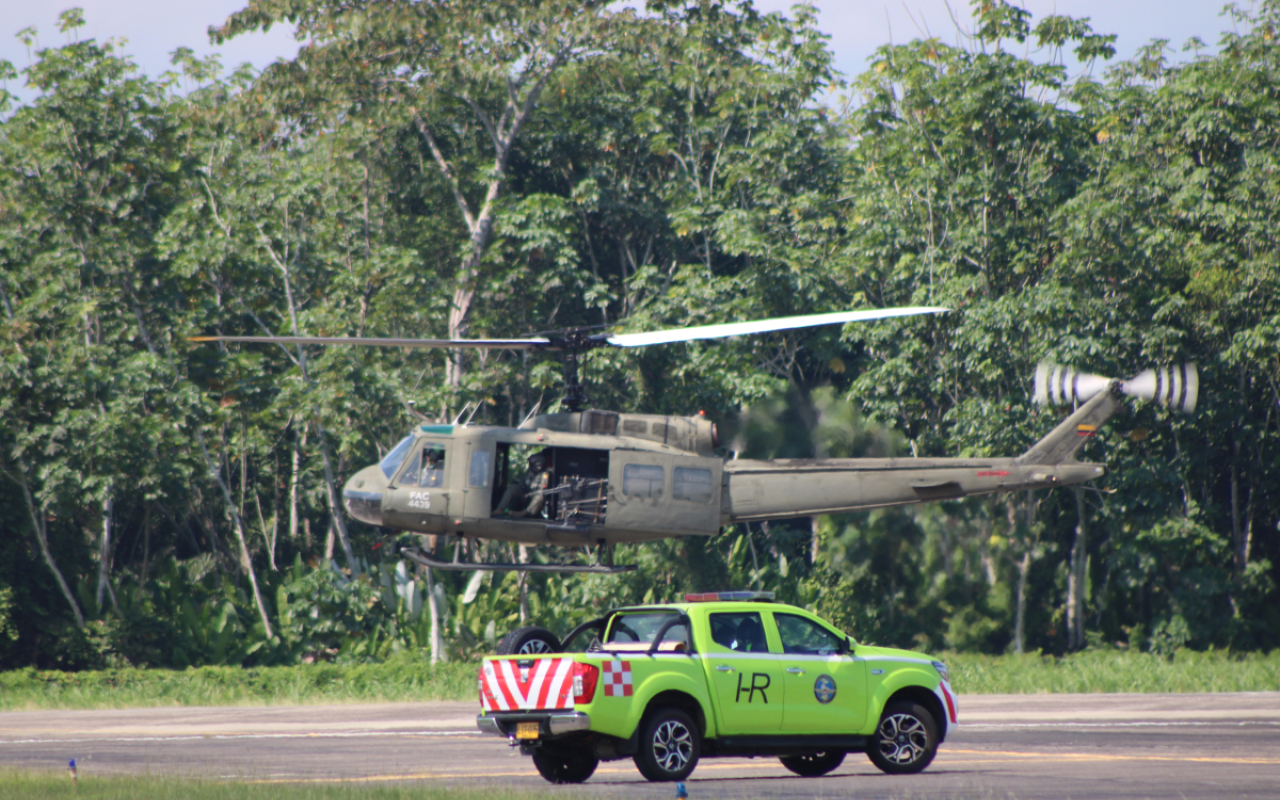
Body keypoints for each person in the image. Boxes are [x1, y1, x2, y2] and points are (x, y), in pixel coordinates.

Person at [495, 452, 553, 518]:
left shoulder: (544, 475)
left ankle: (524, 513)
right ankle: (500, 509)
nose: (530, 465)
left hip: (533, 500)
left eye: (531, 464)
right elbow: (521, 483)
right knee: (513, 487)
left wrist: (530, 494)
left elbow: (542, 490)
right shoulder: (529, 472)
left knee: (540, 496)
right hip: (524, 495)